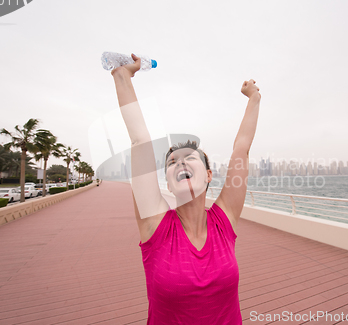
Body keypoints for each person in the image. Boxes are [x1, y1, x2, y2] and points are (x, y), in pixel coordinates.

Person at [111, 54, 260, 324]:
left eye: (190, 157)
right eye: (171, 162)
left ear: (209, 175)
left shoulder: (223, 221)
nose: (180, 162)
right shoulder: (155, 226)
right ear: (168, 182)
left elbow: (242, 149)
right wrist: (122, 76)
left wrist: (254, 99)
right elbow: (139, 141)